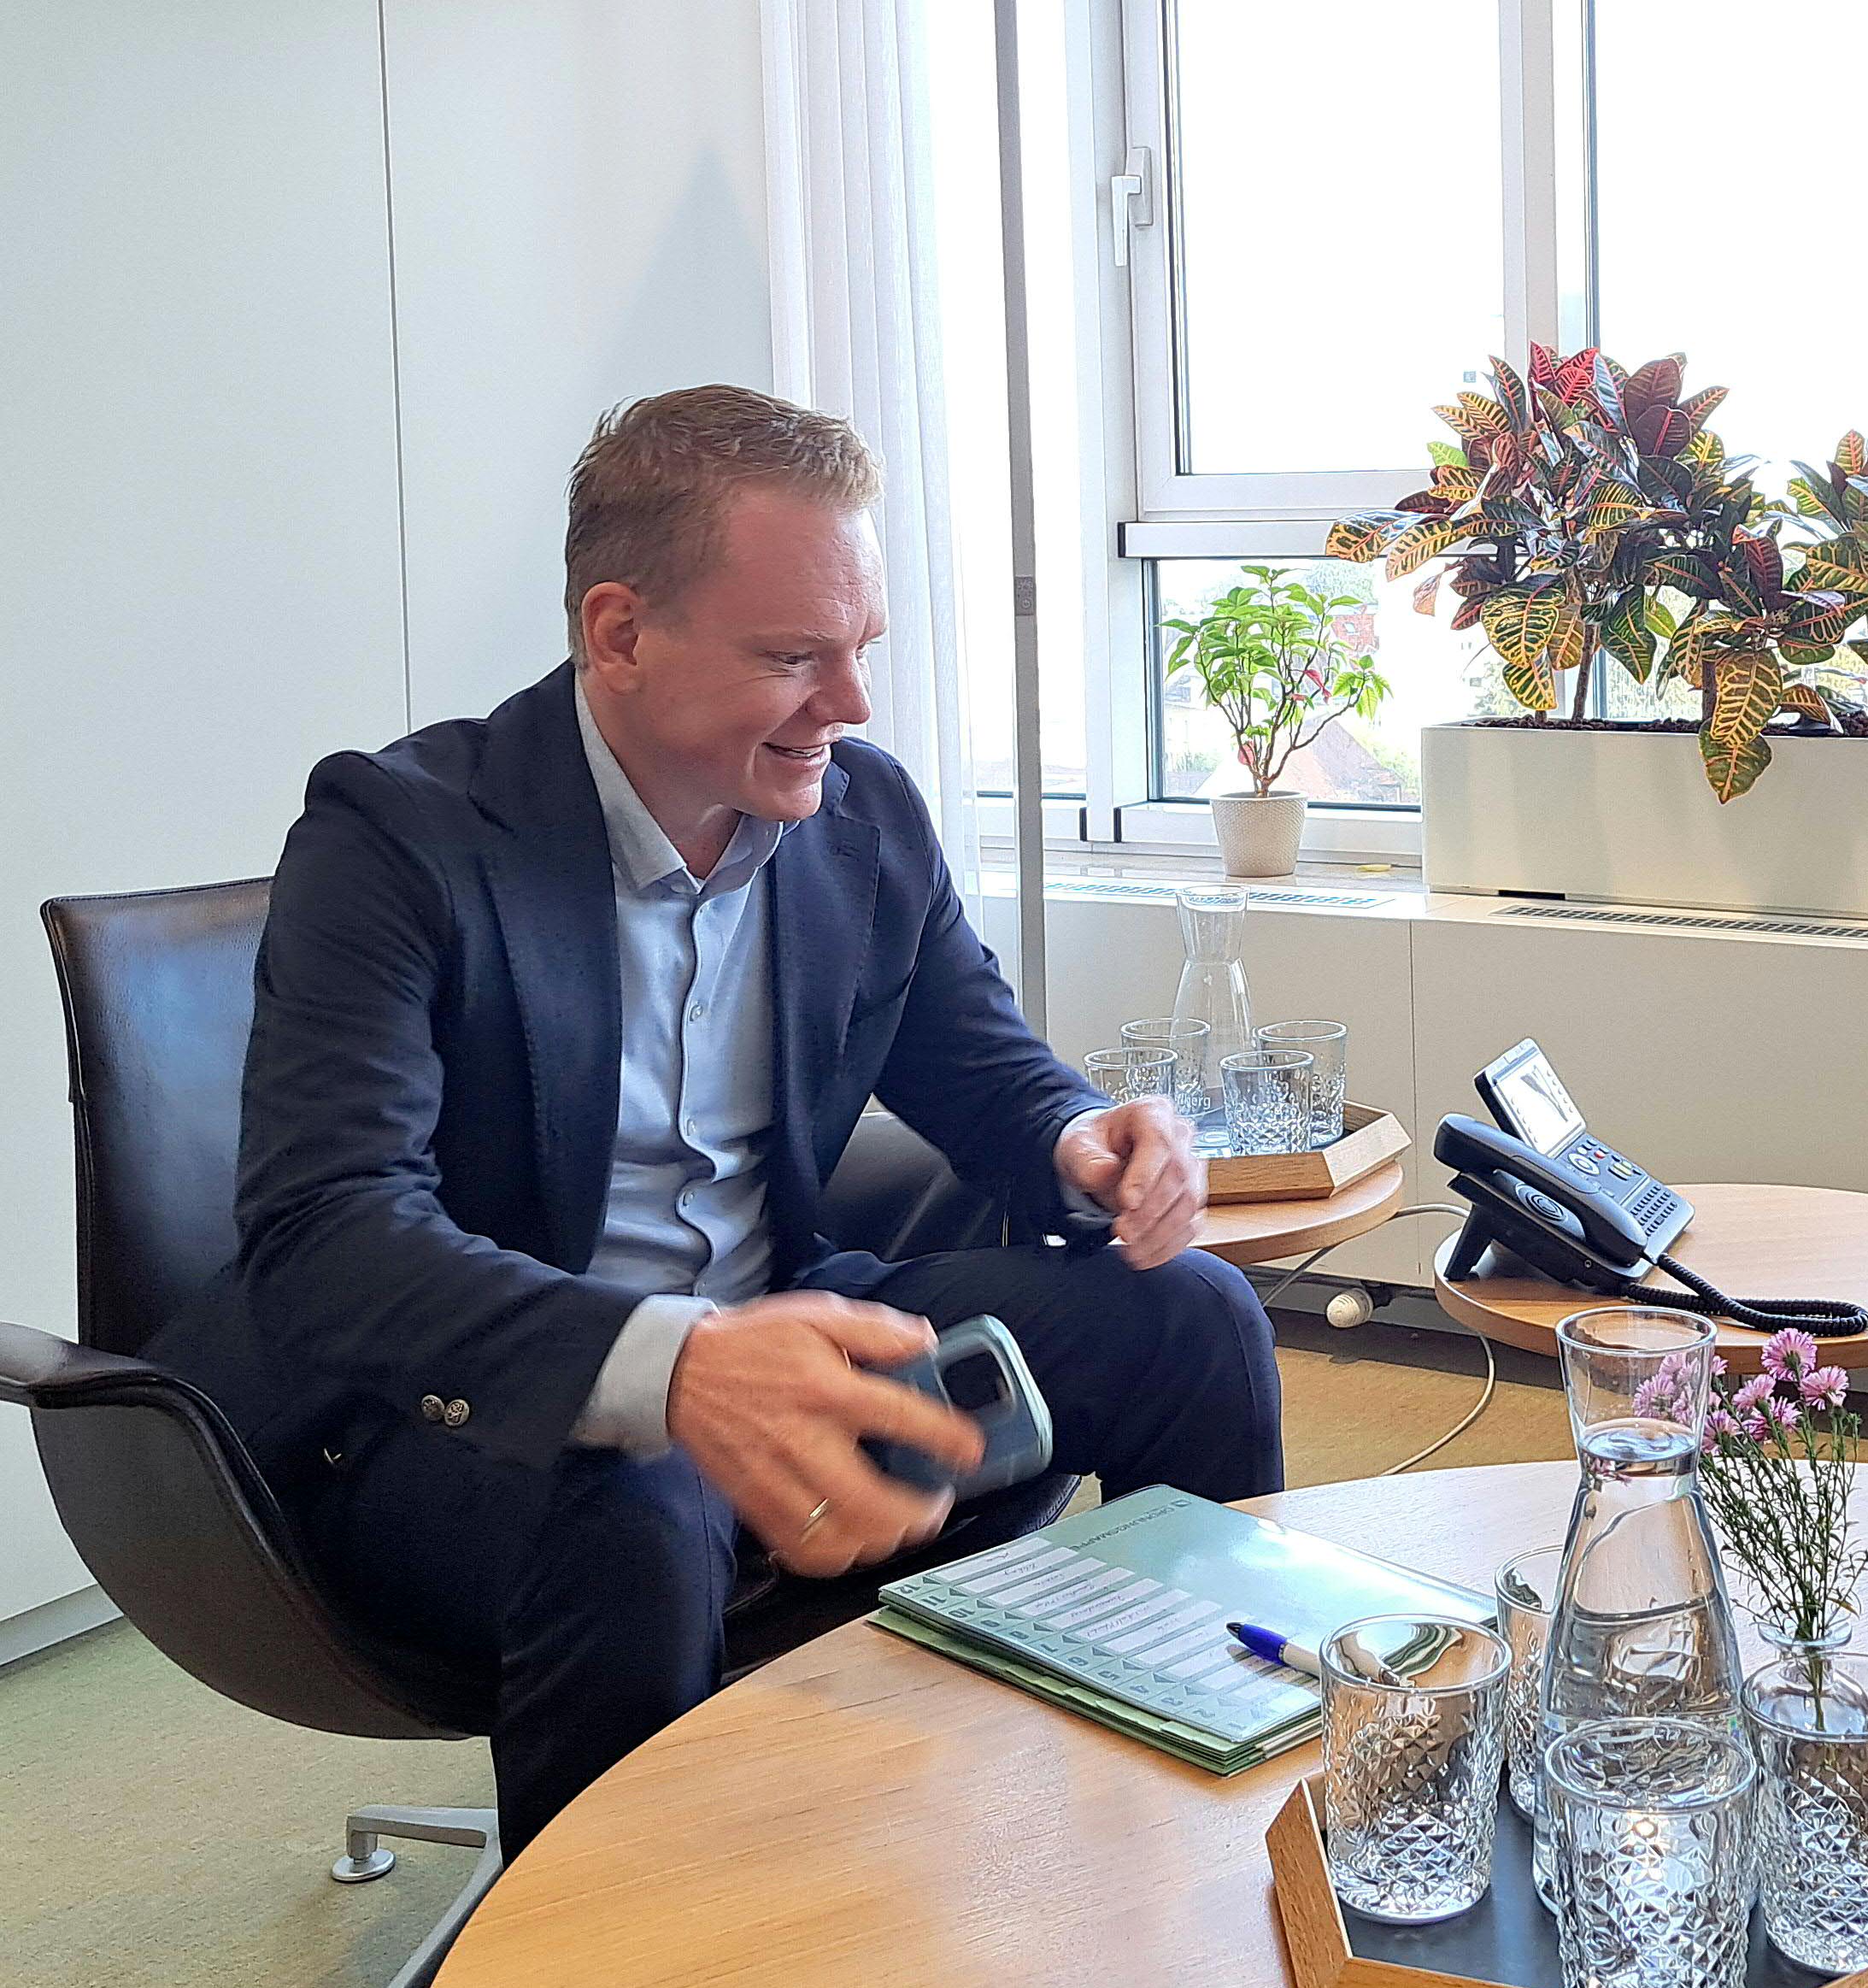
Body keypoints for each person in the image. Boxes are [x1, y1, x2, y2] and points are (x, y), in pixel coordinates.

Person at [151, 385, 1280, 1852]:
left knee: (1194, 1319)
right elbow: (329, 1234)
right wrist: (675, 1369)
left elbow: (983, 1066)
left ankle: (1205, 1826)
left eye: (862, 648)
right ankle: (611, 1958)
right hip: (460, 1420)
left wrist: (1082, 1136)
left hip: (785, 1325)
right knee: (641, 1492)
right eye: (794, 656)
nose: (852, 704)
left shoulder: (862, 819)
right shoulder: (399, 841)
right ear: (620, 633)